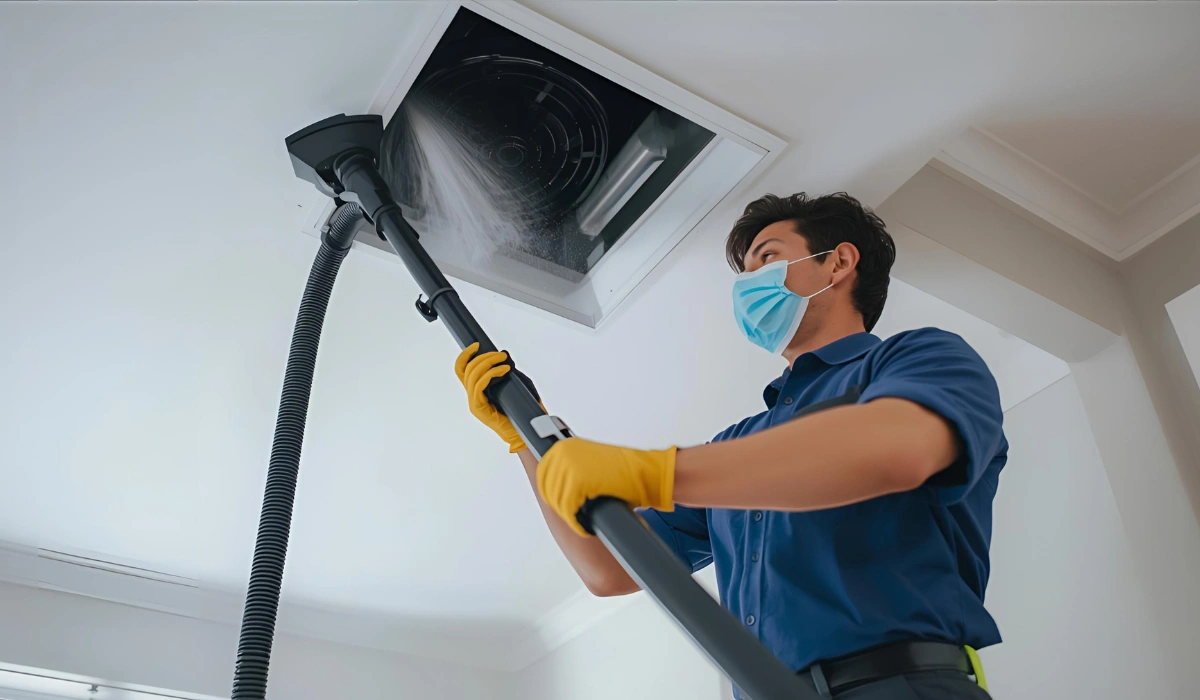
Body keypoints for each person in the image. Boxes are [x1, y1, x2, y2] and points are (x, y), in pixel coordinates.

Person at [454, 192, 1005, 699]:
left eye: (767, 258)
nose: (749, 286)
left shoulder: (920, 358)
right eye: (743, 276)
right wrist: (527, 438)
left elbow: (898, 447)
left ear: (838, 263)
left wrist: (655, 472)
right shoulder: (738, 445)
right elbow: (608, 568)